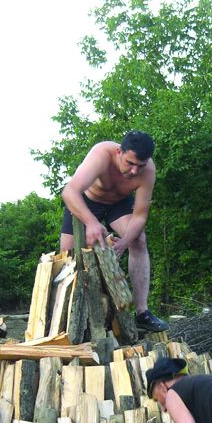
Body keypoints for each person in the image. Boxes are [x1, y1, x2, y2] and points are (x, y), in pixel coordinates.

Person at [60, 130, 169, 333]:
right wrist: (91, 222)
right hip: (85, 202)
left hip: (118, 203)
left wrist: (124, 243)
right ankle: (66, 318)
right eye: (130, 163)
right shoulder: (101, 154)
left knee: (139, 240)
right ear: (119, 151)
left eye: (140, 166)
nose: (135, 171)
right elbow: (69, 191)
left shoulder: (148, 171)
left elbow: (140, 216)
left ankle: (142, 312)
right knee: (67, 256)